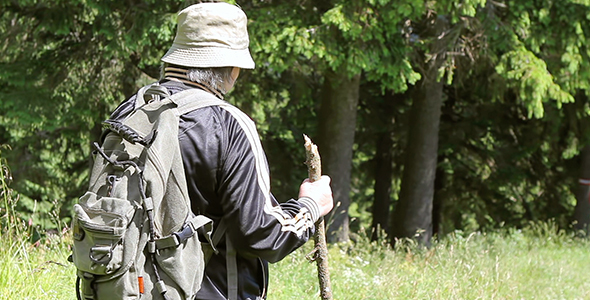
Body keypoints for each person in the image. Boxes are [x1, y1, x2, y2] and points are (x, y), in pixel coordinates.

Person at [108, 2, 334, 299]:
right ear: (232, 69)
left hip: (122, 289)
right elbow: (261, 234)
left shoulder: (127, 113)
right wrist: (309, 207)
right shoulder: (229, 125)